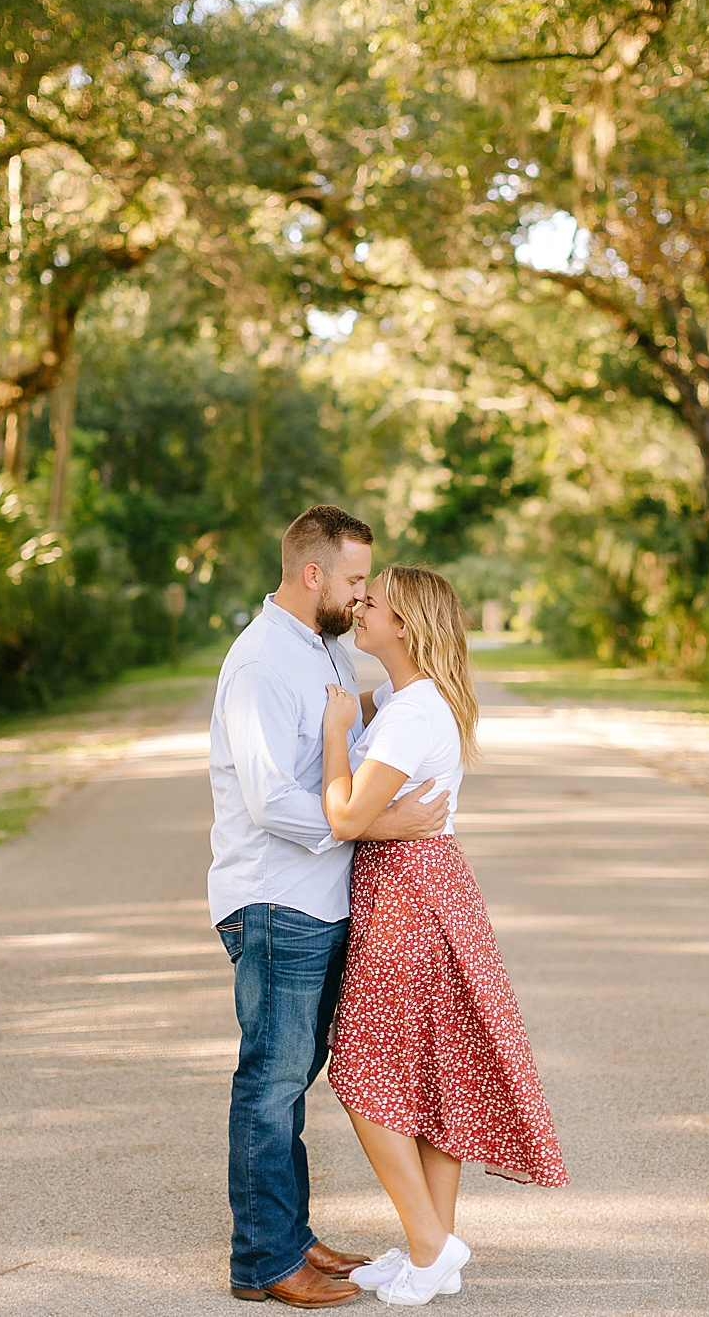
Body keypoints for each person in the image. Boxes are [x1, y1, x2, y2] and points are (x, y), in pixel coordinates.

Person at [207, 505, 453, 1308]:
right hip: (276, 901)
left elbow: (346, 745)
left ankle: (293, 1235)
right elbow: (274, 799)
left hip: (321, 897)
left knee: (294, 1075)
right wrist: (384, 822)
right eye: (354, 580)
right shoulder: (259, 666)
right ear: (312, 574)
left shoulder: (326, 649)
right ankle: (263, 1263)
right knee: (271, 1081)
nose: (360, 594)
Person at [320, 564, 565, 1307]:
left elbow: (345, 819)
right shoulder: (410, 698)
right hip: (429, 888)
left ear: (408, 625)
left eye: (374, 602)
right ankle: (435, 1257)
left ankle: (429, 1242)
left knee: (360, 1070)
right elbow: (382, 705)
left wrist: (336, 735)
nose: (360, 607)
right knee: (432, 1073)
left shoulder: (412, 714)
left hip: (408, 897)